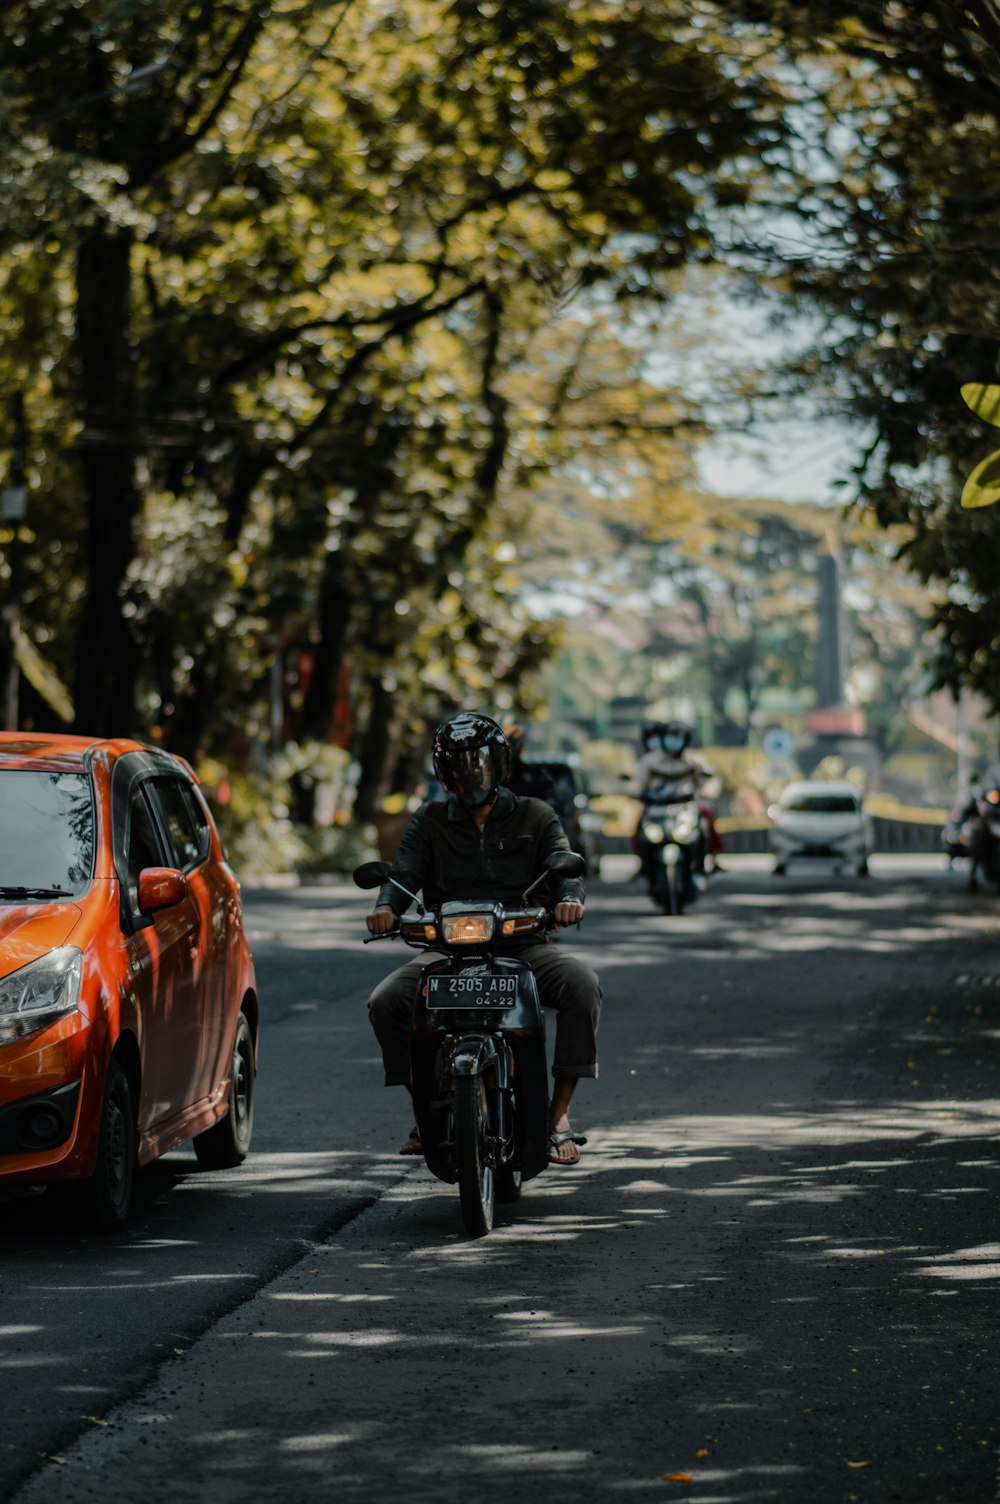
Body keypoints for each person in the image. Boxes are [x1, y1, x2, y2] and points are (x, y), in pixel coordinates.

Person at [366, 711, 602, 1166]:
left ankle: (557, 1118)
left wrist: (569, 899)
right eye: (458, 766)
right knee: (386, 1001)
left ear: (500, 764)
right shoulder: (430, 820)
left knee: (582, 985)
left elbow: (564, 864)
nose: (470, 774)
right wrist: (384, 909)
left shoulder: (536, 813)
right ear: (444, 773)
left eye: (478, 763)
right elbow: (404, 874)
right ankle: (428, 1112)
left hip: (522, 945)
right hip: (446, 951)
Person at [631, 719, 724, 878]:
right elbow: (637, 784)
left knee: (704, 821)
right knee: (640, 825)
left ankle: (702, 864)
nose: (673, 742)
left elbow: (711, 779)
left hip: (686, 807)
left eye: (677, 737)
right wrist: (634, 792)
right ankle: (644, 865)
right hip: (657, 808)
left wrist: (707, 791)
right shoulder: (651, 761)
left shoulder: (694, 760)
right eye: (670, 737)